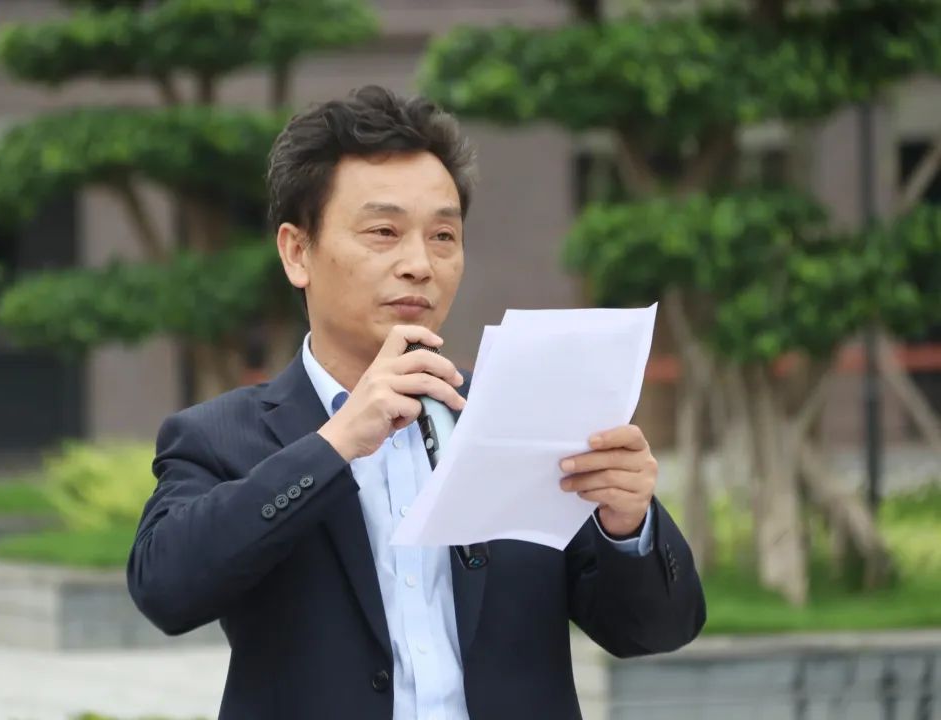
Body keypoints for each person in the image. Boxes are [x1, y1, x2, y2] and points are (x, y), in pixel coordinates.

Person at [127, 85, 705, 720]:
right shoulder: (221, 436)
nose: (419, 265)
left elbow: (654, 631)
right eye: (384, 232)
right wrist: (335, 444)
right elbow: (165, 591)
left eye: (443, 236)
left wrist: (628, 524)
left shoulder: (518, 414)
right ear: (297, 252)